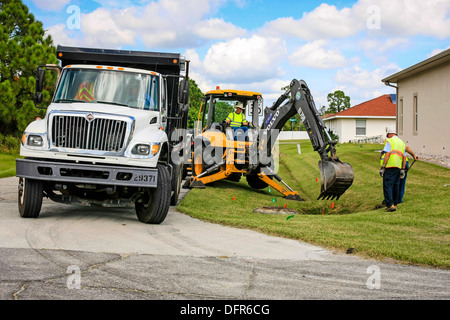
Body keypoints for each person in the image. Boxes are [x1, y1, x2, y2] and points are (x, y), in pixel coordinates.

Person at [379, 127, 406, 212]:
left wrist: (383, 166)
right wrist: (403, 169)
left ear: (390, 134)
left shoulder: (390, 141)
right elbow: (404, 157)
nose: (388, 137)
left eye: (388, 135)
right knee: (396, 186)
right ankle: (395, 203)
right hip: (398, 167)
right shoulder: (401, 143)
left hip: (390, 166)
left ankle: (390, 205)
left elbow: (387, 153)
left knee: (388, 185)